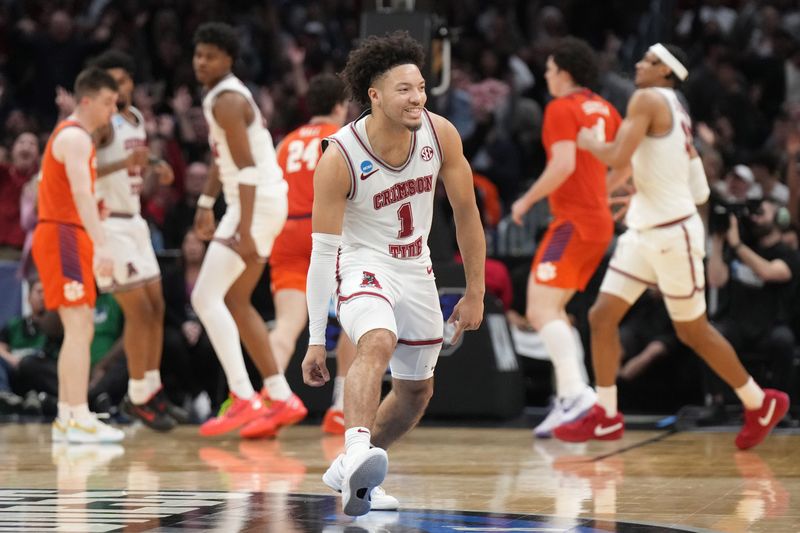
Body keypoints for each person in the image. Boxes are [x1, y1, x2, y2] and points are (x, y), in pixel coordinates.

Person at [558, 43, 789, 450]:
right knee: (602, 315)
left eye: (649, 61)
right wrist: (636, 190)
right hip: (646, 230)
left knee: (692, 331)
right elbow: (698, 188)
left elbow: (618, 156)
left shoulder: (647, 99)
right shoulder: (679, 111)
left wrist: (590, 142)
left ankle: (760, 402)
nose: (639, 64)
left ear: (667, 72)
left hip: (670, 233)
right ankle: (607, 415)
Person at [301, 31, 485, 516]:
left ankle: (354, 470)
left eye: (421, 87)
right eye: (404, 89)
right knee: (377, 341)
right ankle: (356, 450)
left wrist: (476, 291)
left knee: (416, 392)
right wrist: (316, 338)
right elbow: (322, 254)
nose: (417, 98)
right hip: (363, 264)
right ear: (375, 95)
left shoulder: (440, 134)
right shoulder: (339, 157)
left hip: (416, 268)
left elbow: (467, 215)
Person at [191, 22, 306, 438]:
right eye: (198, 54)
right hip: (262, 202)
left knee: (205, 297)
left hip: (254, 204)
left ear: (229, 59)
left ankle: (242, 395)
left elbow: (246, 168)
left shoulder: (226, 100)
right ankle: (279, 394)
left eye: (210, 56)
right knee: (236, 301)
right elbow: (223, 157)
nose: (201, 62)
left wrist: (242, 227)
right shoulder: (223, 96)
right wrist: (206, 203)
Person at [510, 36, 622, 438]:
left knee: (539, 309)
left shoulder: (561, 108)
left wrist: (525, 201)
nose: (546, 76)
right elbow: (625, 164)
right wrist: (602, 195)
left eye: (550, 70)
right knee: (554, 309)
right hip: (598, 222)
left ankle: (575, 394)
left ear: (565, 73)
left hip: (572, 223)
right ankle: (571, 394)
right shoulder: (607, 109)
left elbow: (562, 164)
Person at [90, 49, 184, 431]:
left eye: (122, 80)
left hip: (135, 221)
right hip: (109, 224)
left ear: (130, 82)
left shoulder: (136, 118)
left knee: (156, 307)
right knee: (139, 311)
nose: (117, 88)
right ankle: (137, 395)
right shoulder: (103, 123)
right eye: (110, 82)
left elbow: (137, 165)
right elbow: (84, 167)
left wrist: (156, 167)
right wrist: (124, 164)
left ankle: (150, 390)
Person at [31, 66, 124, 444]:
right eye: (108, 102)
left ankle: (70, 416)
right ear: (86, 100)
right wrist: (102, 245)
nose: (112, 110)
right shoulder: (75, 137)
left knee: (81, 327)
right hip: (64, 235)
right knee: (78, 326)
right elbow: (81, 195)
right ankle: (74, 416)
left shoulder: (72, 136)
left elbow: (70, 193)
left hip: (66, 232)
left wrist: (92, 215)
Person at [270, 73, 354, 435]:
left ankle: (270, 399)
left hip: (286, 230)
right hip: (328, 231)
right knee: (353, 317)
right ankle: (341, 406)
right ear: (339, 106)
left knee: (287, 325)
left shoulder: (285, 143)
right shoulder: (343, 138)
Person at [707, 198, 800, 397]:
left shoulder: (787, 254)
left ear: (779, 218)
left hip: (771, 326)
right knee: (712, 336)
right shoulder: (739, 248)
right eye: (753, 214)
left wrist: (738, 245)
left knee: (783, 341)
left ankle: (779, 400)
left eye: (761, 213)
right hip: (737, 323)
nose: (755, 218)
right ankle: (717, 401)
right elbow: (715, 280)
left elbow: (769, 272)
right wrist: (718, 241)